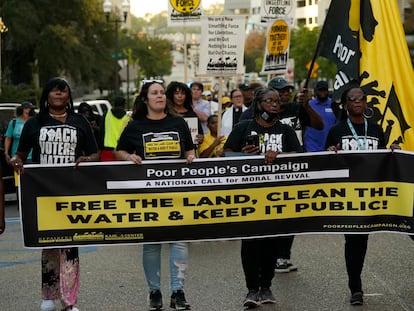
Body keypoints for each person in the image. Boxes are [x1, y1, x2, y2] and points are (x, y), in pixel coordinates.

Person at [10, 77, 99, 311]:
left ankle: (69, 301)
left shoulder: (80, 121)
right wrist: (15, 161)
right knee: (49, 245)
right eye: (54, 91)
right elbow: (20, 153)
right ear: (46, 95)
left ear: (69, 96)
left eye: (63, 91)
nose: (59, 94)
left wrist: (86, 159)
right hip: (44, 194)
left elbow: (94, 154)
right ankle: (48, 296)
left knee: (70, 246)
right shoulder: (34, 123)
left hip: (72, 193)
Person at [114, 81, 195, 311]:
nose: (160, 96)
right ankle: (154, 292)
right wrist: (129, 158)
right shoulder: (135, 126)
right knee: (151, 244)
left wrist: (190, 157)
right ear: (145, 99)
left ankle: (178, 291)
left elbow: (189, 149)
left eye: (162, 93)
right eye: (155, 93)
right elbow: (119, 150)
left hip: (176, 191)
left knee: (179, 241)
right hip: (147, 193)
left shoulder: (178, 123)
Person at [223, 87, 302, 308]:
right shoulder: (244, 127)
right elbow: (225, 154)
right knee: (250, 243)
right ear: (259, 104)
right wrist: (243, 155)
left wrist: (280, 154)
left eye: (278, 102)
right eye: (270, 101)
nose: (275, 105)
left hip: (276, 198)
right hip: (248, 197)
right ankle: (251, 289)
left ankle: (266, 286)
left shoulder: (285, 130)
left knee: (271, 242)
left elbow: (299, 154)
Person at [325, 84, 399, 306]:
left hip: (370, 195)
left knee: (362, 240)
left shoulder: (376, 129)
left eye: (361, 98)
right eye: (352, 98)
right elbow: (326, 163)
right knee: (353, 239)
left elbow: (384, 158)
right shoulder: (336, 131)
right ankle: (355, 286)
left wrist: (393, 151)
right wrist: (330, 153)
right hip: (348, 195)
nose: (357, 101)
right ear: (346, 104)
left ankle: (356, 281)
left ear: (366, 103)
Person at [166, 81, 203, 148]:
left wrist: (200, 138)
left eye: (183, 93)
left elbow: (200, 134)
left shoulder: (192, 114)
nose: (180, 96)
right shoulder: (166, 114)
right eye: (176, 93)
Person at [304, 80, 337, 151]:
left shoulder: (334, 105)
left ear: (328, 91)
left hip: (330, 147)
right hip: (312, 146)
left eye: (324, 90)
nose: (322, 92)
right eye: (320, 90)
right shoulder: (309, 105)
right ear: (316, 91)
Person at [99, 96, 129, 161]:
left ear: (114, 104)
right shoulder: (127, 117)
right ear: (124, 105)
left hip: (107, 149)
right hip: (121, 151)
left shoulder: (107, 114)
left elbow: (101, 131)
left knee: (107, 170)